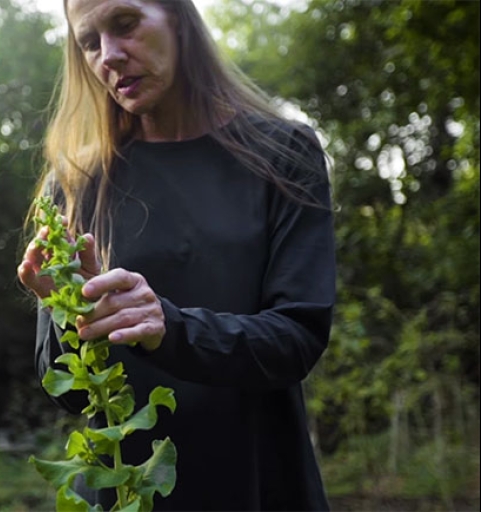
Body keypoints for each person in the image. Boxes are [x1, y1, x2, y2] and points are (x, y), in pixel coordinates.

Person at [17, 0, 336, 510]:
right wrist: (66, 314)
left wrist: (168, 326)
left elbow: (297, 338)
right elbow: (72, 394)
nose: (110, 56)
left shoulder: (283, 153)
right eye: (89, 42)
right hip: (120, 491)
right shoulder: (76, 185)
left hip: (255, 483)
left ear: (179, 18)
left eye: (125, 24)